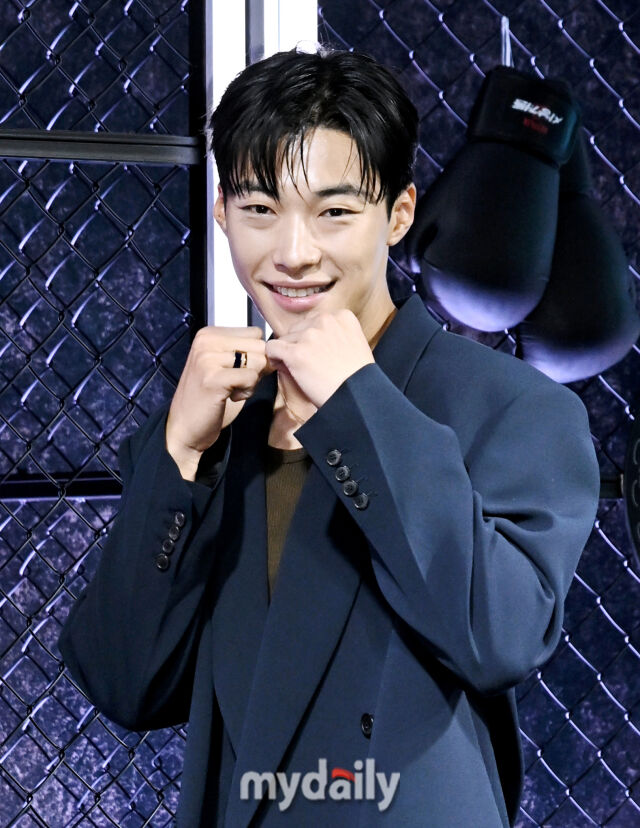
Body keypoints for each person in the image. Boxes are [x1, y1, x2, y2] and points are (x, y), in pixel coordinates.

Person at [59, 47, 600, 827]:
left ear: (400, 214)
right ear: (221, 211)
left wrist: (359, 406)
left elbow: (501, 637)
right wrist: (178, 456)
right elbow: (125, 684)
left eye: (334, 213)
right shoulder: (216, 421)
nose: (293, 253)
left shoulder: (515, 409)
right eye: (260, 209)